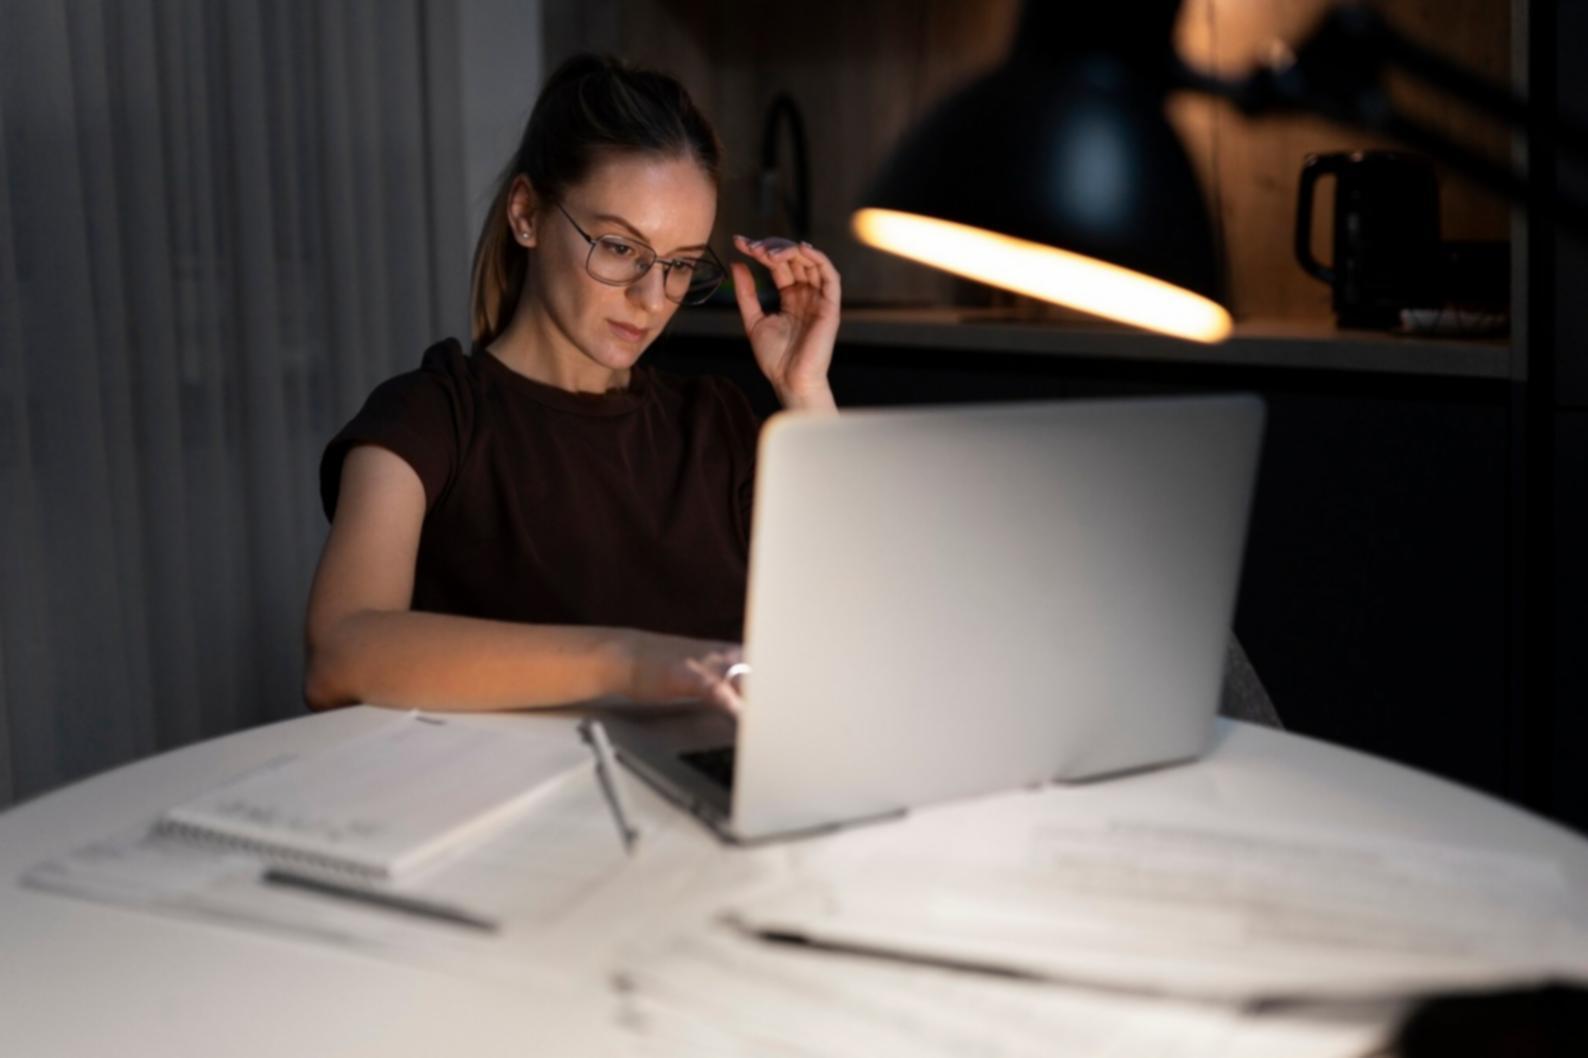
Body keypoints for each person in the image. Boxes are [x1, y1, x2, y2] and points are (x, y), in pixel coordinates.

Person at [303, 54, 840, 715]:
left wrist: (807, 391)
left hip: (712, 798)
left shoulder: (716, 424)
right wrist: (634, 663)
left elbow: (859, 621)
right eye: (619, 247)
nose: (650, 297)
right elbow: (340, 654)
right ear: (526, 213)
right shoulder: (432, 417)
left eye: (677, 265)